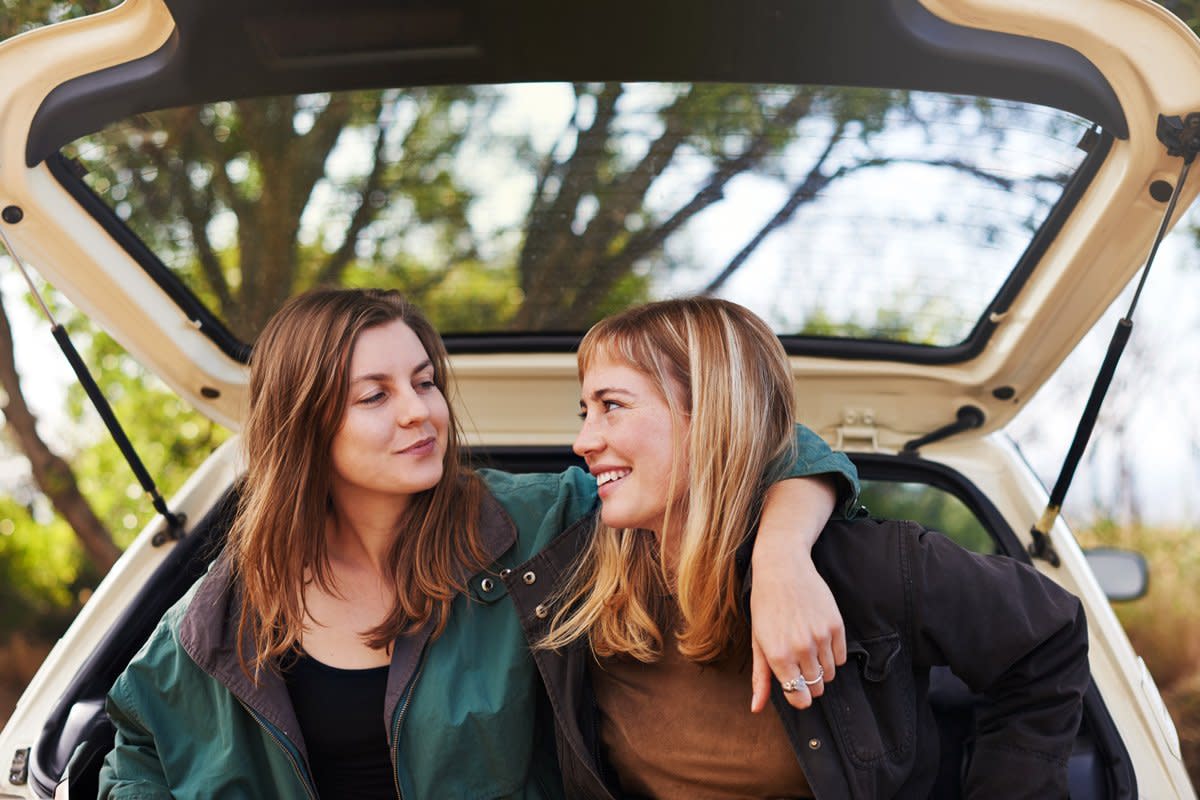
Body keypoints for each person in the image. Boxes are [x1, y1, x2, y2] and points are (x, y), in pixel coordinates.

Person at [97, 288, 859, 799]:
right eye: (376, 395)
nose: (418, 413)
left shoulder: (530, 526)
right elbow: (134, 741)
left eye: (425, 383)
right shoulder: (232, 603)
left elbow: (750, 447)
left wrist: (783, 558)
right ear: (303, 423)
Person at [516, 297, 1090, 799]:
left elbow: (1048, 636)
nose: (584, 441)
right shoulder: (575, 578)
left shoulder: (869, 565)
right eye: (584, 411)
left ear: (712, 416)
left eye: (612, 406)